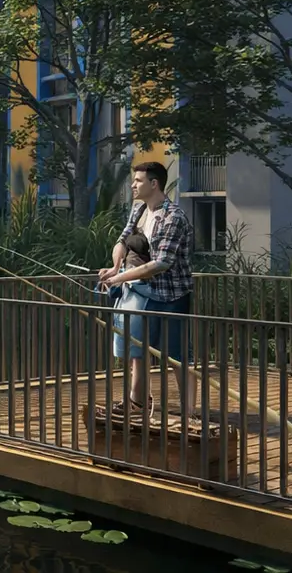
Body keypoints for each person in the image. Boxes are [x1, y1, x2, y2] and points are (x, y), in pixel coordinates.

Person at [98, 162, 196, 423]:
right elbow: (122, 239)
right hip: (139, 292)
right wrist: (115, 266)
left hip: (170, 295)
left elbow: (161, 263)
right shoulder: (139, 209)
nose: (133, 185)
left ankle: (189, 416)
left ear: (154, 184)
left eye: (138, 180)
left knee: (177, 357)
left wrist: (119, 277)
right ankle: (137, 404)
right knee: (137, 353)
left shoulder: (172, 217)